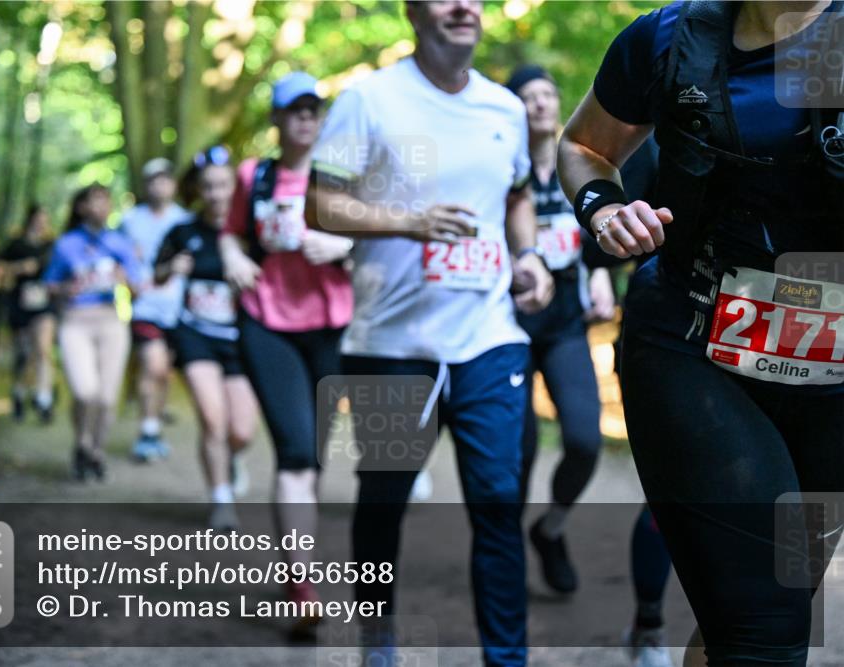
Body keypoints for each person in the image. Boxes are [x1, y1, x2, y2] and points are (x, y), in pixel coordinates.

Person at [558, 2, 843, 665]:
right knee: (764, 628)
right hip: (694, 344)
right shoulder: (668, 38)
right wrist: (605, 211)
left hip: (830, 369)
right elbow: (584, 146)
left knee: (763, 609)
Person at [308, 2, 554, 664]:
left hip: (488, 334)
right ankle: (378, 631)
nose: (463, 6)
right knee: (384, 499)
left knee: (499, 502)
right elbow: (320, 202)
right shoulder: (368, 99)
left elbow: (518, 197)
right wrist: (406, 220)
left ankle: (507, 659)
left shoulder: (504, 108)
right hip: (391, 344)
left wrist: (528, 257)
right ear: (414, 11)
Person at [220, 72, 354, 635]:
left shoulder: (343, 177)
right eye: (293, 110)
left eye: (313, 109)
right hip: (267, 323)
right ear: (276, 119)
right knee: (296, 451)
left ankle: (297, 567)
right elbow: (228, 231)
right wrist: (231, 256)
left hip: (331, 326)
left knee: (316, 457)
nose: (305, 118)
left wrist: (344, 242)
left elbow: (380, 235)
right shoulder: (253, 176)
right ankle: (304, 586)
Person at [505, 64, 615, 596]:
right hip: (510, 325)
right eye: (529, 97)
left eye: (549, 94)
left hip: (566, 323)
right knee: (518, 450)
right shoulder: (503, 169)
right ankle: (502, 561)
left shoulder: (581, 163)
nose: (542, 104)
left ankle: (550, 529)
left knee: (583, 440)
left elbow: (598, 232)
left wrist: (599, 275)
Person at [155, 146, 259, 531]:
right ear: (198, 191)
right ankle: (221, 499)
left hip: (240, 339)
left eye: (223, 186)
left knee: (241, 431)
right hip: (195, 334)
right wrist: (172, 268)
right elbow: (156, 275)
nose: (216, 194)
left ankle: (233, 459)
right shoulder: (182, 232)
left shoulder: (251, 232)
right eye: (208, 187)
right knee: (213, 421)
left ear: (235, 187)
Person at [44, 184, 143, 481]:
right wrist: (66, 288)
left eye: (105, 201)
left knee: (107, 398)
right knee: (85, 391)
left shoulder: (121, 243)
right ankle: (82, 442)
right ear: (82, 207)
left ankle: (95, 451)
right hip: (76, 322)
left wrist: (124, 279)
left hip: (111, 322)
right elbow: (49, 286)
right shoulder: (66, 244)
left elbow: (138, 291)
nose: (101, 207)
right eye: (94, 201)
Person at [120, 158, 193, 462]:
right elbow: (117, 259)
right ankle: (147, 431)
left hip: (178, 309)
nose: (159, 186)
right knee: (153, 364)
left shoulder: (185, 220)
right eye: (153, 180)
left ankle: (154, 424)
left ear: (173, 185)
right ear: (145, 185)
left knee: (164, 371)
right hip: (145, 307)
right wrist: (129, 282)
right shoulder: (130, 220)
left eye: (164, 179)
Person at [0, 204, 56, 423]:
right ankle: (19, 393)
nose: (42, 222)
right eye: (39, 218)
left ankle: (44, 398)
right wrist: (20, 268)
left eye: (45, 218)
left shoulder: (51, 246)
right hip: (20, 304)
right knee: (23, 355)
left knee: (43, 350)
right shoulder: (16, 244)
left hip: (44, 305)